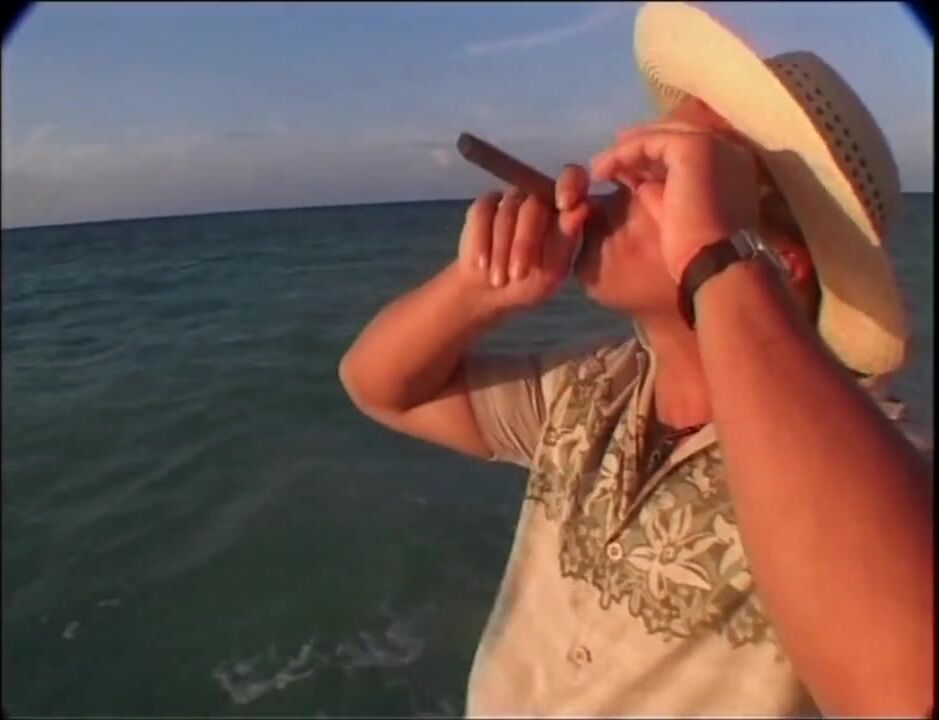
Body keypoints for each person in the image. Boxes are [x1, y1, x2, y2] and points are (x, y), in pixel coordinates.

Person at [339, 3, 933, 716]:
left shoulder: (881, 459)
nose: (617, 179)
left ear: (779, 259)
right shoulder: (588, 391)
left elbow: (903, 686)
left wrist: (714, 255)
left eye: (676, 171)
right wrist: (478, 290)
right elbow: (381, 387)